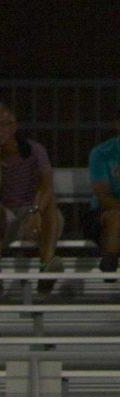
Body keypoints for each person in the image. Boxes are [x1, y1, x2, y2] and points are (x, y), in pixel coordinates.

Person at [0, 104, 64, 295]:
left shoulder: (34, 150)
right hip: (4, 219)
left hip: (35, 214)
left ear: (14, 127)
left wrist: (35, 211)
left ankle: (45, 268)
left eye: (3, 124)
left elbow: (46, 185)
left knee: (50, 202)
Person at [83, 108, 120, 274]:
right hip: (101, 214)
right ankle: (110, 264)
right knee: (116, 216)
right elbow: (104, 198)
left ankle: (110, 261)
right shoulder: (102, 153)